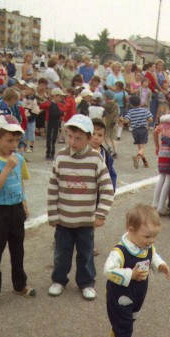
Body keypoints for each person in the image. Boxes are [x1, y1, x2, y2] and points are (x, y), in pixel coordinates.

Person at [47, 115, 115, 300]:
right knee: (62, 253)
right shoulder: (61, 156)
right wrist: (53, 214)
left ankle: (86, 283)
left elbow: (107, 188)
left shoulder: (95, 159)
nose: (72, 141)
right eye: (69, 136)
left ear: (88, 137)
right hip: (64, 219)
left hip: (86, 221)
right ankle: (59, 280)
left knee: (85, 254)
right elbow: (53, 186)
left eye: (78, 138)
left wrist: (101, 214)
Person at [104, 204, 170, 337]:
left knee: (131, 317)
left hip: (139, 291)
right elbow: (108, 270)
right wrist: (129, 275)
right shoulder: (119, 251)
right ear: (131, 230)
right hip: (120, 295)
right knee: (125, 322)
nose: (151, 240)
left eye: (155, 236)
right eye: (147, 236)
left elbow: (153, 255)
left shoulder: (146, 247)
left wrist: (160, 264)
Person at [0, 115, 35, 307]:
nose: (14, 144)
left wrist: (25, 204)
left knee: (18, 249)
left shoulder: (18, 159)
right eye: (9, 140)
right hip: (0, 212)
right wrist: (7, 167)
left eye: (17, 140)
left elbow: (20, 182)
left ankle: (19, 284)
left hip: (16, 210)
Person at [121, 95, 153, 169]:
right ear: (140, 102)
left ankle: (145, 162)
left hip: (135, 131)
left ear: (131, 104)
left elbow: (126, 121)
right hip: (142, 129)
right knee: (142, 147)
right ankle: (138, 156)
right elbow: (150, 119)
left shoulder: (131, 111)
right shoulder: (145, 110)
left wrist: (122, 120)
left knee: (139, 147)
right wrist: (146, 121)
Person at [39, 87, 65, 160]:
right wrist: (62, 113)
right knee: (51, 139)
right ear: (55, 96)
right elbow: (55, 114)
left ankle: (51, 153)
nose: (61, 99)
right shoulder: (52, 105)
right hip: (52, 124)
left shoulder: (54, 104)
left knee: (53, 139)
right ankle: (49, 154)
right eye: (60, 97)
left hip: (54, 124)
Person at [102, 90, 120, 158]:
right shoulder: (115, 105)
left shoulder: (103, 106)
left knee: (105, 136)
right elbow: (117, 114)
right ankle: (115, 152)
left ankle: (109, 148)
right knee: (113, 138)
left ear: (106, 97)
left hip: (106, 123)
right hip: (114, 123)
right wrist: (115, 121)